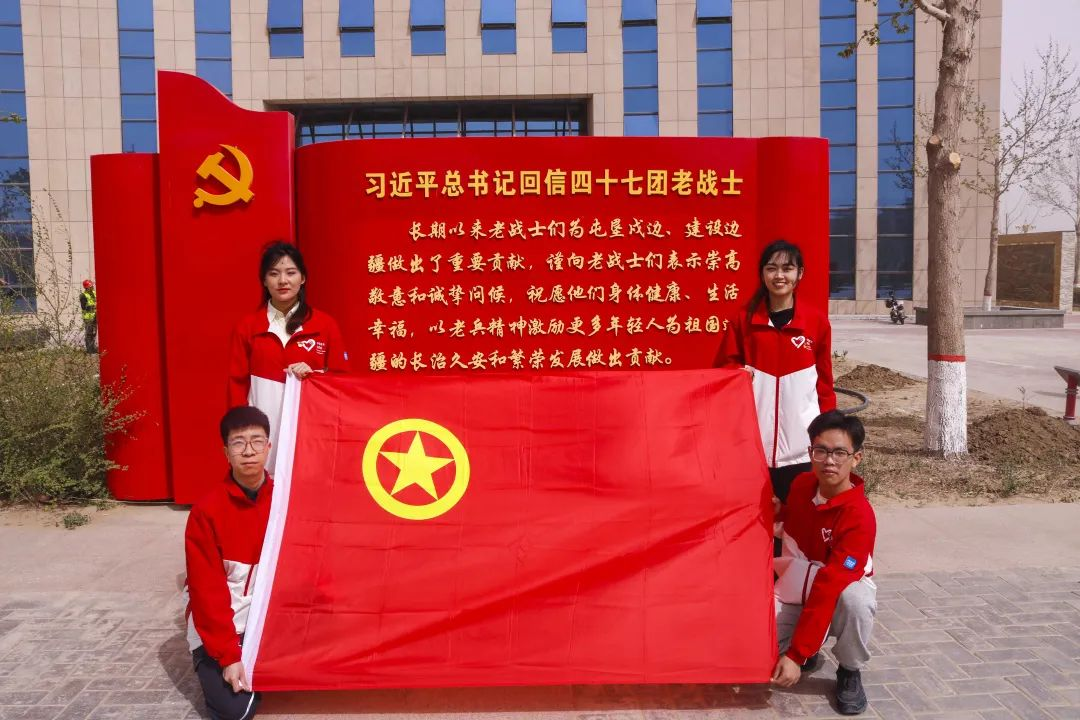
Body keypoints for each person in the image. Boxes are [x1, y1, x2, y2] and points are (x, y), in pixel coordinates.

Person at [714, 240, 836, 506]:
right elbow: (723, 370)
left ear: (799, 273)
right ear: (762, 274)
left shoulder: (815, 322)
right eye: (771, 268)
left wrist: (828, 429)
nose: (779, 275)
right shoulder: (744, 321)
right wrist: (737, 373)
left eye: (787, 268)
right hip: (752, 442)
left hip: (802, 445)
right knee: (754, 512)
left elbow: (824, 383)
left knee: (798, 513)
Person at [771, 410, 877, 716]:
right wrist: (778, 512)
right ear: (810, 453)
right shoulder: (802, 484)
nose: (829, 461)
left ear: (856, 459)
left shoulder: (860, 517)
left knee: (856, 600)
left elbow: (829, 586)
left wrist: (796, 653)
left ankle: (849, 670)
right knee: (759, 651)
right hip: (797, 587)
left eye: (840, 453)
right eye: (821, 451)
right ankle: (809, 652)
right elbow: (796, 519)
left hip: (836, 591)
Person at [184, 406, 273, 720]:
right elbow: (206, 593)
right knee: (236, 711)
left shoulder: (285, 500)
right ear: (226, 452)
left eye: (257, 441)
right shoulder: (206, 512)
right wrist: (228, 656)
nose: (248, 451)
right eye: (238, 443)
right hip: (226, 625)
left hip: (269, 620)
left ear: (269, 447)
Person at [228, 241, 348, 468]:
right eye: (274, 274)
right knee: (267, 483)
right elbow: (237, 383)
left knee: (308, 477)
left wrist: (314, 375)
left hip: (312, 429)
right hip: (263, 431)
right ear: (264, 281)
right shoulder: (248, 327)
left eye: (291, 273)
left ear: (303, 278)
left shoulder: (325, 325)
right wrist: (240, 431)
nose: (283, 280)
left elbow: (341, 382)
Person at [79, 279, 97, 353]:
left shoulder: (94, 293)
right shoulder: (83, 295)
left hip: (95, 316)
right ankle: (89, 350)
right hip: (88, 318)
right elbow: (84, 307)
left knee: (94, 333)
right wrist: (94, 307)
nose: (92, 287)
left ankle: (93, 348)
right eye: (90, 286)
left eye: (92, 286)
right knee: (89, 334)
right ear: (86, 288)